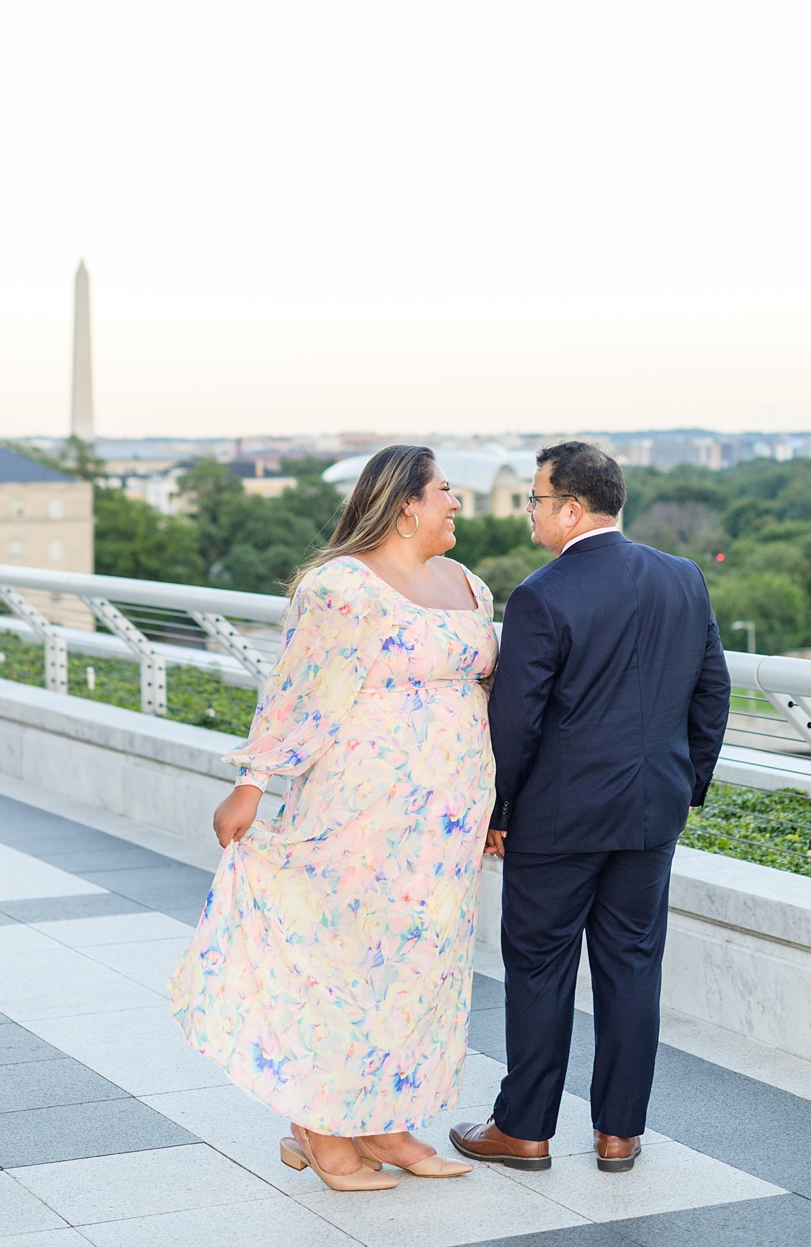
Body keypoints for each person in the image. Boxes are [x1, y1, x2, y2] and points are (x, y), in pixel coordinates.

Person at [170, 444, 492, 1192]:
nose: (456, 503)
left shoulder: (465, 581)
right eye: (445, 490)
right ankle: (320, 1125)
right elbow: (300, 689)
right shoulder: (341, 585)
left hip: (448, 821)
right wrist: (253, 783)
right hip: (361, 806)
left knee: (422, 967)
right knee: (348, 960)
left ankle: (386, 1122)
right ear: (406, 502)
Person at [449, 440, 731, 1175]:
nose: (532, 513)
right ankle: (619, 1134)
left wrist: (497, 810)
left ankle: (526, 1129)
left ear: (571, 508)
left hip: (557, 818)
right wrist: (683, 784)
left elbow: (517, 721)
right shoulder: (683, 578)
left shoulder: (542, 594)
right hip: (652, 812)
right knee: (633, 967)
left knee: (540, 969)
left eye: (537, 500)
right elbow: (712, 692)